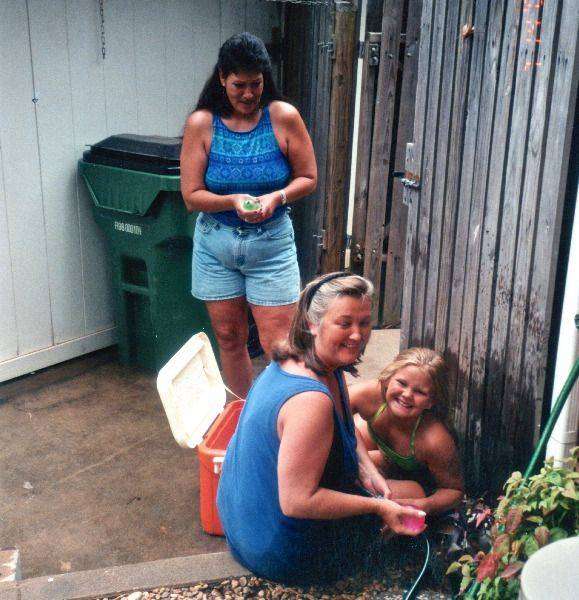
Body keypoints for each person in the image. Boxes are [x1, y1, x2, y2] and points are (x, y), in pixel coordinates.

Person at [217, 272, 426, 586]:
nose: (357, 335)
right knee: (415, 494)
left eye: (364, 323)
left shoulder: (307, 360)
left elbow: (346, 429)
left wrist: (368, 469)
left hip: (243, 527)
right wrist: (378, 506)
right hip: (283, 554)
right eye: (344, 323)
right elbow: (297, 501)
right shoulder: (310, 401)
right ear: (312, 324)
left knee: (372, 456)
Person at [180, 32, 317, 399]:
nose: (248, 93)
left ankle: (284, 416)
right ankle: (243, 412)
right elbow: (191, 196)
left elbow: (308, 177)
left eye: (255, 84)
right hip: (215, 246)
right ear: (222, 78)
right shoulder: (202, 124)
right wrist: (233, 201)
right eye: (238, 85)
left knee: (279, 346)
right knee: (229, 337)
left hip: (271, 245)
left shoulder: (283, 117)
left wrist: (278, 196)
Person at [350, 348, 464, 516]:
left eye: (419, 392)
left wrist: (426, 505)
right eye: (402, 383)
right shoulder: (368, 394)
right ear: (388, 379)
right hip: (387, 459)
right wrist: (366, 468)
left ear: (431, 401)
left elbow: (454, 491)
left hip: (414, 483)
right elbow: (330, 411)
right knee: (347, 440)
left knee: (397, 494)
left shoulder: (434, 439)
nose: (407, 395)